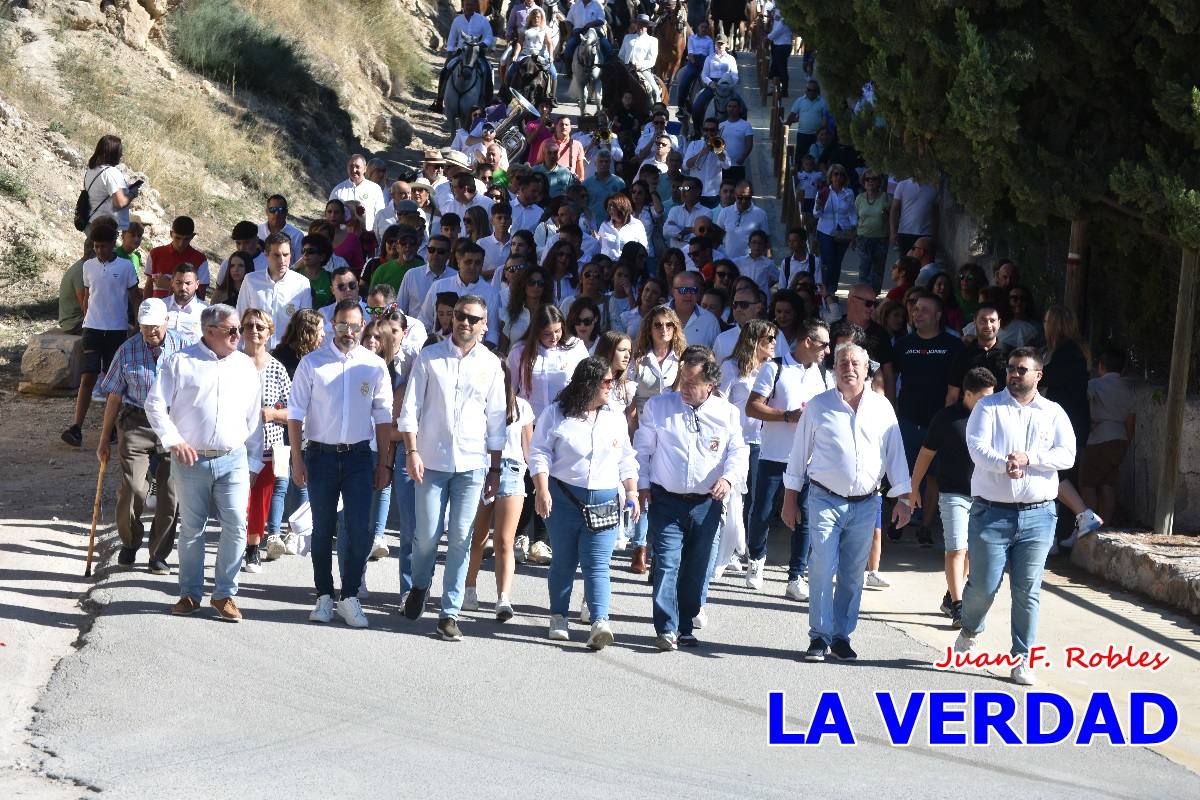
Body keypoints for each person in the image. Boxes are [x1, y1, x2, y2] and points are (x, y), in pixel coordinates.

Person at [954, 347, 1077, 685]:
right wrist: (1003, 463)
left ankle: (1022, 658)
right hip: (991, 514)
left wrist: (1029, 459)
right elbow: (976, 447)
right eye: (1011, 369)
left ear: (1039, 375)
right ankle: (971, 627)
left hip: (1039, 516)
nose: (1015, 374)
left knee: (1027, 589)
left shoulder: (1053, 412)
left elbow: (1067, 454)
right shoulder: (987, 406)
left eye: (1022, 370)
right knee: (984, 585)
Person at [784, 343, 914, 662]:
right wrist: (789, 498)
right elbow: (799, 454)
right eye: (842, 362)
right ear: (833, 368)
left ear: (867, 368)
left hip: (867, 502)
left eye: (856, 362)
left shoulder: (882, 407)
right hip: (824, 498)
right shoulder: (818, 406)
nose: (849, 367)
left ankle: (842, 635)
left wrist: (904, 497)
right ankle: (818, 636)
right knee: (821, 566)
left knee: (853, 573)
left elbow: (895, 453)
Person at [145, 304, 264, 622]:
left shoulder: (245, 366)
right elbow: (155, 404)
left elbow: (254, 416)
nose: (240, 336)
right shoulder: (180, 362)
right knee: (192, 529)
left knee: (237, 525)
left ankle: (225, 594)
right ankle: (190, 593)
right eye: (232, 331)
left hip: (233, 459)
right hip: (191, 460)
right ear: (209, 331)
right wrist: (174, 441)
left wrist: (252, 460)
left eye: (239, 329)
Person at [397, 295, 506, 640]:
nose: (466, 323)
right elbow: (410, 408)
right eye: (461, 316)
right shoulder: (429, 357)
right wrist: (412, 451)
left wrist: (495, 469)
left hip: (472, 464)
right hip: (430, 460)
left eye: (474, 319)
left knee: (461, 537)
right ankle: (419, 585)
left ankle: (449, 611)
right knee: (426, 536)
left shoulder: (491, 364)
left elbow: (497, 419)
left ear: (484, 325)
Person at [287, 299, 393, 628]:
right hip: (320, 456)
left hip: (360, 456)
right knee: (322, 529)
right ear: (333, 324)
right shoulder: (312, 363)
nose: (349, 332)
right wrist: (297, 459)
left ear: (363, 327)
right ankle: (323, 595)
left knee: (360, 528)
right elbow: (295, 414)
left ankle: (349, 596)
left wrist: (385, 463)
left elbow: (384, 417)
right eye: (343, 325)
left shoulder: (374, 365)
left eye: (355, 326)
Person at [635, 346, 747, 649]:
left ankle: (686, 624)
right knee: (669, 563)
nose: (683, 388)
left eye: (691, 383)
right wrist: (642, 487)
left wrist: (728, 478)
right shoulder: (659, 407)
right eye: (681, 380)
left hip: (707, 504)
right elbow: (642, 450)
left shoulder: (727, 414)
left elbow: (739, 452)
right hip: (666, 500)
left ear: (709, 385)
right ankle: (666, 628)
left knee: (697, 568)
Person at [530, 357, 640, 648]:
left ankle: (599, 621)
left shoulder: (615, 417)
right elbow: (539, 453)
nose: (610, 386)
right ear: (588, 384)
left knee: (598, 565)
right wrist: (542, 490)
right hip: (564, 498)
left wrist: (632, 493)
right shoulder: (556, 414)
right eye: (606, 382)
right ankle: (558, 616)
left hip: (604, 501)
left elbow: (627, 459)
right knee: (564, 562)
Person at [744, 318, 834, 599]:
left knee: (805, 517)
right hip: (773, 454)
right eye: (824, 344)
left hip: (809, 459)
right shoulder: (775, 367)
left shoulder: (824, 376)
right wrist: (786, 416)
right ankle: (756, 558)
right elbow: (752, 406)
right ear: (807, 342)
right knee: (762, 511)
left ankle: (796, 575)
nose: (828, 351)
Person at [95, 298, 186, 571]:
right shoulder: (127, 350)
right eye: (145, 327)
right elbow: (113, 396)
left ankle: (158, 553)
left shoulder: (185, 347)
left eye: (155, 327)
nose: (150, 332)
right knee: (134, 488)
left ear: (166, 322)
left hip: (173, 423)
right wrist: (103, 439)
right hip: (136, 421)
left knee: (171, 492)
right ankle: (130, 540)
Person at [909, 366, 997, 627]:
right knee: (956, 548)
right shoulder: (946, 418)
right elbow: (926, 454)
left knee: (971, 551)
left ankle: (951, 596)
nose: (989, 403)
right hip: (953, 493)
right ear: (968, 394)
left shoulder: (994, 418)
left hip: (983, 495)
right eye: (984, 397)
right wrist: (913, 489)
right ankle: (959, 606)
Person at [61, 223, 140, 448]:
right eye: (96, 246)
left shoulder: (126, 267)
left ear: (112, 244)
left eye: (103, 246)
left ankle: (112, 427)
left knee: (111, 381)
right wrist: (88, 318)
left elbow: (134, 296)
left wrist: (135, 324)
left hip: (116, 330)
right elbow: (87, 295)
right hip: (92, 329)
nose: (99, 251)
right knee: (88, 376)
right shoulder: (88, 267)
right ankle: (76, 427)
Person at [238, 308, 291, 575]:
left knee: (260, 500)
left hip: (271, 447)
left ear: (270, 333)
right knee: (236, 500)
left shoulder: (277, 368)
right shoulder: (232, 362)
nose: (255, 331)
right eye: (249, 326)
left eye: (260, 327)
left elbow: (295, 410)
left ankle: (252, 549)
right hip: (236, 445)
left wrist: (273, 414)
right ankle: (234, 546)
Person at [1075, 346, 1134, 533]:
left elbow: (1084, 407)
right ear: (1123, 369)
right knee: (1108, 484)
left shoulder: (1093, 385)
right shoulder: (1129, 389)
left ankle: (1089, 524)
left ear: (1101, 366)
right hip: (1120, 438)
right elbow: (1131, 421)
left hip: (1098, 438)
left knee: (1088, 484)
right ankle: (1105, 525)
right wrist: (1126, 442)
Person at [237, 232, 312, 350]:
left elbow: (305, 324)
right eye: (276, 255)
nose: (282, 260)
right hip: (254, 350)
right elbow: (240, 316)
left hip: (287, 354)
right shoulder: (251, 280)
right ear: (266, 254)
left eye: (286, 254)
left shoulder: (302, 284)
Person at [947, 304, 1010, 403]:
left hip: (1002, 414)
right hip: (969, 415)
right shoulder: (962, 354)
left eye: (992, 321)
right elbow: (952, 394)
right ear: (974, 322)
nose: (988, 325)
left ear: (999, 323)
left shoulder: (1011, 354)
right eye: (983, 320)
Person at [81, 135, 137, 245]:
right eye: (120, 151)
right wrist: (132, 194)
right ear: (113, 152)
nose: (121, 154)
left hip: (91, 222)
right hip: (104, 228)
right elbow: (119, 203)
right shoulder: (111, 173)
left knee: (93, 258)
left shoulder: (92, 169)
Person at [812, 164, 857, 295]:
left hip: (843, 230)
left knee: (837, 263)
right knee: (828, 261)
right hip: (825, 230)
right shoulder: (823, 192)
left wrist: (854, 228)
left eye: (841, 174)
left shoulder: (849, 193)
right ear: (830, 177)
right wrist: (819, 206)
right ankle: (825, 288)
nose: (838, 177)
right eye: (835, 174)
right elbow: (816, 214)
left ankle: (832, 290)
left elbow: (852, 212)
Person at [691, 33, 738, 132]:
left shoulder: (731, 59)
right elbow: (704, 75)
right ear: (715, 45)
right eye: (718, 43)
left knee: (742, 106)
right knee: (697, 106)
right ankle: (697, 131)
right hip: (713, 85)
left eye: (722, 43)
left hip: (726, 86)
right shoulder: (709, 58)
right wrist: (710, 83)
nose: (720, 46)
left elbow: (735, 75)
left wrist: (730, 85)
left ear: (726, 45)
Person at [854, 170, 889, 290]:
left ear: (879, 181)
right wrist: (853, 238)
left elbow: (892, 217)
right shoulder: (859, 198)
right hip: (863, 238)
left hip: (881, 238)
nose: (870, 181)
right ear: (863, 182)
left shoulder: (886, 197)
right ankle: (862, 295)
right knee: (864, 268)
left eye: (873, 179)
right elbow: (855, 218)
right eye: (867, 179)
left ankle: (874, 296)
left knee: (878, 270)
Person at [716, 181, 769, 259]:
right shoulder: (725, 212)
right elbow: (717, 237)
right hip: (729, 263)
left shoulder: (761, 214)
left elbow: (766, 241)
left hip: (751, 263)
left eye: (747, 198)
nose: (743, 201)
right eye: (740, 198)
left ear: (751, 196)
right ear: (735, 195)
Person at [562, 0, 613, 79]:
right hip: (578, 32)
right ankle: (569, 71)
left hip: (594, 30)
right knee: (568, 48)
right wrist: (570, 31)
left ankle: (608, 70)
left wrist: (590, 24)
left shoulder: (597, 5)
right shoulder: (575, 6)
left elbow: (602, 20)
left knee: (607, 48)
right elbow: (568, 21)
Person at [889, 177, 939, 256]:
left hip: (925, 234)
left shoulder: (932, 188)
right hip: (905, 233)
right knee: (906, 264)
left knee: (923, 264)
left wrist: (935, 235)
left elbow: (936, 214)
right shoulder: (903, 185)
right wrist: (893, 232)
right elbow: (894, 210)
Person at [784, 81, 830, 164]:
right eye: (809, 90)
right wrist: (785, 130)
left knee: (814, 157)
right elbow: (792, 116)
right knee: (800, 156)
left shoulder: (823, 102)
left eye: (814, 90)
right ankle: (798, 173)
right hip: (802, 134)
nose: (811, 92)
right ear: (806, 90)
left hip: (816, 136)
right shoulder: (800, 101)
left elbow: (825, 119)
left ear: (817, 91)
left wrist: (822, 134)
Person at [671, 269, 720, 348]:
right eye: (683, 290)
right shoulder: (658, 314)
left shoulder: (710, 321)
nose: (688, 295)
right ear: (673, 291)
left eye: (693, 290)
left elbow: (716, 355)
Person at [618, 15, 661, 103]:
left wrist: (640, 65)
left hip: (643, 70)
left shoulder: (652, 40)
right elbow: (621, 55)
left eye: (643, 25)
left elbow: (652, 60)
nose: (640, 27)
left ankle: (657, 109)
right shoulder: (628, 37)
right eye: (639, 24)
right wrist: (621, 64)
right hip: (626, 68)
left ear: (647, 26)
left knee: (655, 90)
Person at [596, 192, 648, 261]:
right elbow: (599, 246)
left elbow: (644, 248)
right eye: (607, 206)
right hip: (608, 267)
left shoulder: (637, 225)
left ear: (621, 207)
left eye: (611, 206)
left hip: (629, 266)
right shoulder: (604, 225)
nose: (608, 210)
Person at [163, 263, 207, 345]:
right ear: (172, 283)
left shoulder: (206, 311)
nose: (183, 287)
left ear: (197, 284)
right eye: (178, 282)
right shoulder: (160, 306)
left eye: (188, 283)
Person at [717, 99, 753, 180]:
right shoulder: (721, 125)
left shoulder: (746, 125)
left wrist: (742, 158)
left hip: (738, 165)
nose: (732, 109)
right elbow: (717, 144)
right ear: (726, 108)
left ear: (739, 109)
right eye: (729, 106)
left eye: (734, 106)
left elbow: (749, 144)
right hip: (722, 165)